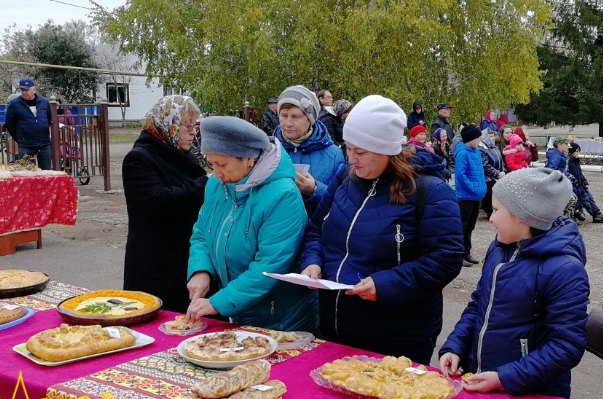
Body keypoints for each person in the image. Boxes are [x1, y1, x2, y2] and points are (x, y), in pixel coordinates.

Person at [300, 95, 464, 364]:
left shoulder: (430, 191)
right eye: (348, 149)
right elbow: (316, 229)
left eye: (360, 152)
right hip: (335, 327)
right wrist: (313, 262)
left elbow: (444, 260)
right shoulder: (344, 179)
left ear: (387, 150)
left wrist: (385, 284)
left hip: (398, 338)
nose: (351, 158)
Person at [439, 167, 589, 399]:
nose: (490, 218)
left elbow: (566, 346)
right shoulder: (499, 248)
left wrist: (505, 378)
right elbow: (479, 304)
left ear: (523, 216)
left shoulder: (564, 269)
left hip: (530, 393)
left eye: (497, 210)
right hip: (481, 380)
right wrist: (455, 346)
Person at [185, 116, 317, 331]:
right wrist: (201, 270)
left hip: (279, 318)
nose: (216, 173)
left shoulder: (283, 194)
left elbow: (269, 265)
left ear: (248, 158)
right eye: (212, 164)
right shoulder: (218, 185)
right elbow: (201, 232)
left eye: (222, 164)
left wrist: (217, 302)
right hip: (237, 310)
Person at [122, 96, 209, 314]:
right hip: (157, 263)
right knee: (159, 324)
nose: (193, 132)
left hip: (185, 256)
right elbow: (158, 201)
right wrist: (205, 182)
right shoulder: (139, 158)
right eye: (186, 126)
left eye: (194, 126)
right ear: (167, 124)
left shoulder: (181, 154)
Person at [274, 85, 345, 217]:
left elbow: (342, 204)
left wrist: (315, 190)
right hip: (273, 234)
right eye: (283, 115)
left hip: (314, 233)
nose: (288, 123)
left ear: (310, 119)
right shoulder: (269, 151)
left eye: (295, 117)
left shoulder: (334, 155)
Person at [455, 124, 487, 267]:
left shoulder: (476, 151)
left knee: (470, 227)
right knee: (462, 226)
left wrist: (481, 187)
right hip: (466, 196)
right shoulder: (462, 153)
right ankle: (459, 255)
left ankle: (466, 253)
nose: (479, 140)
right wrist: (473, 188)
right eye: (477, 137)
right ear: (470, 138)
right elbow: (461, 175)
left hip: (476, 195)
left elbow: (480, 172)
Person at [4, 78, 52, 169]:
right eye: (22, 90)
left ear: (34, 90)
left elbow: (48, 120)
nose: (24, 92)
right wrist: (20, 137)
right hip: (26, 145)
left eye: (27, 90)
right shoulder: (14, 104)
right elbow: (9, 124)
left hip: (44, 144)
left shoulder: (44, 102)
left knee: (46, 173)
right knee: (26, 173)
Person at [566, 142, 603, 223]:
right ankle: (593, 214)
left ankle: (597, 214)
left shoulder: (575, 161)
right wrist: (575, 182)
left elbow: (580, 174)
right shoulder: (568, 162)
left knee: (590, 197)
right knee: (584, 199)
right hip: (574, 185)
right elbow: (568, 174)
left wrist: (585, 182)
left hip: (580, 185)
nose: (578, 153)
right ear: (572, 151)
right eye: (577, 151)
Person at [479, 130, 506, 220]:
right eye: (490, 136)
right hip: (487, 177)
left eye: (494, 136)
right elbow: (485, 165)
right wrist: (496, 173)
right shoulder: (481, 149)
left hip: (498, 175)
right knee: (491, 188)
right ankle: (490, 210)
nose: (493, 138)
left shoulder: (495, 148)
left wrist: (503, 172)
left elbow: (501, 162)